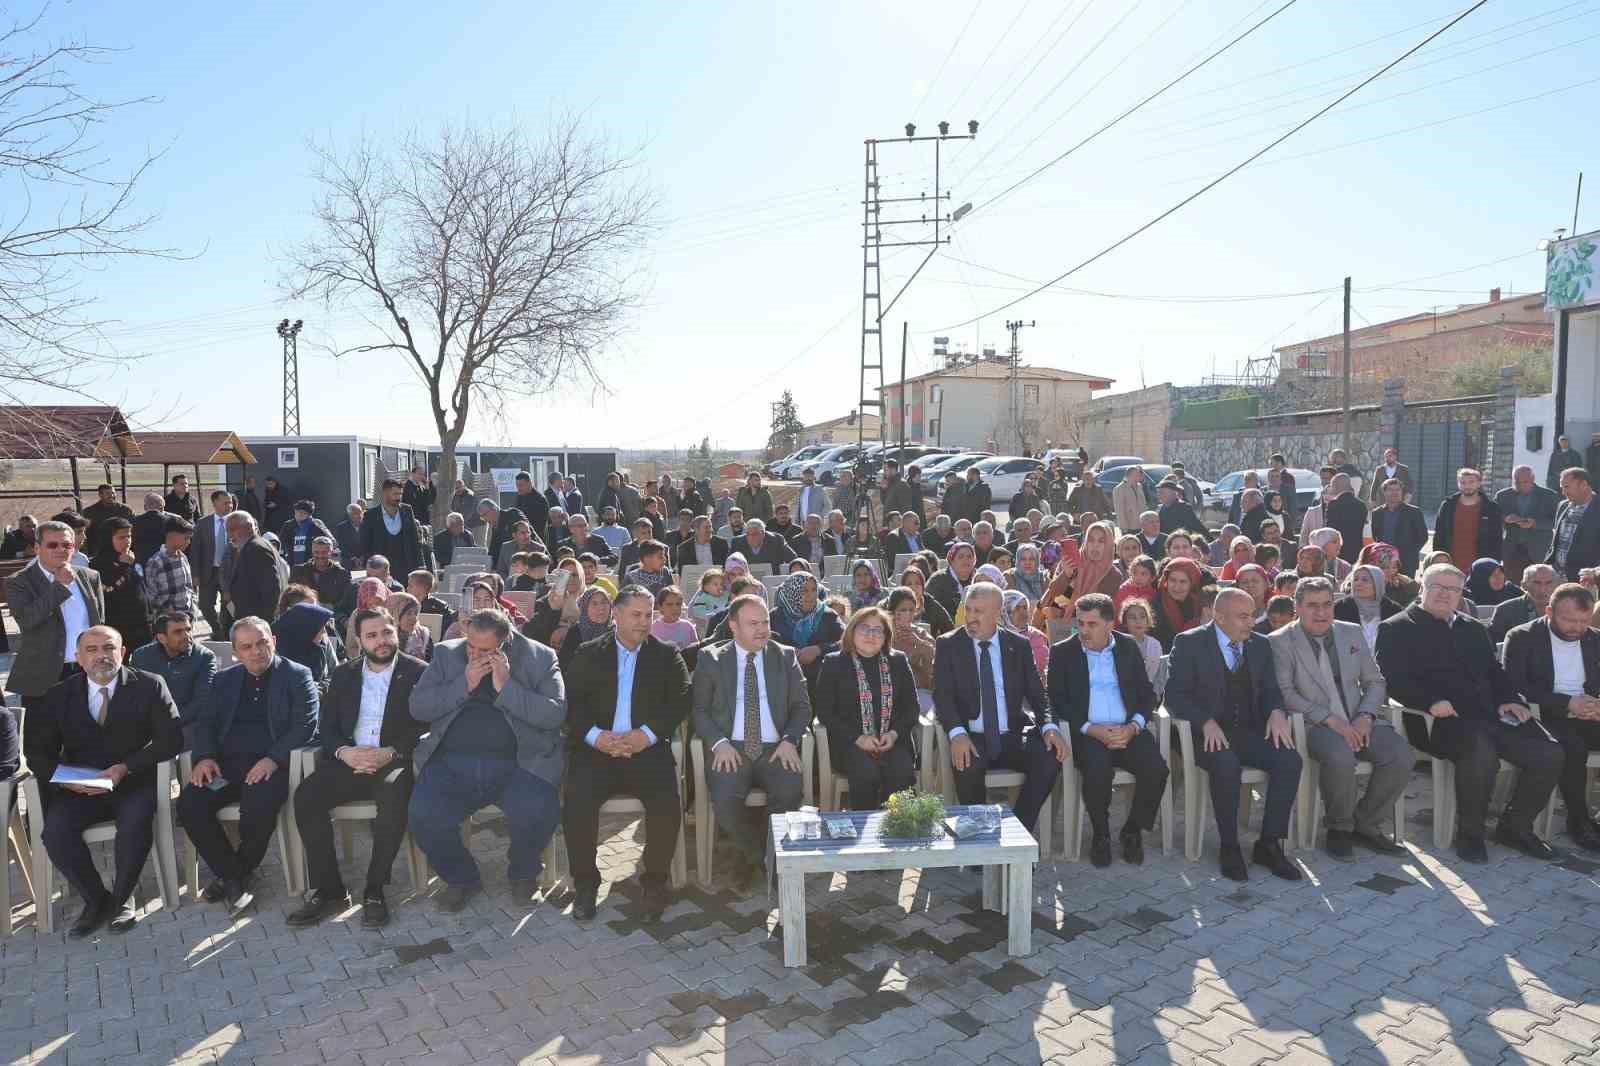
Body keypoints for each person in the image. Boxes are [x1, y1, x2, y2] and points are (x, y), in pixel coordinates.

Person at [1375, 563, 1564, 863]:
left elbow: (1495, 672)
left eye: (1453, 589)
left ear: (1462, 594)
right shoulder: (1396, 627)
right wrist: (1430, 701)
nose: (1445, 594)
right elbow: (1394, 681)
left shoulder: (1472, 627)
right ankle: (1471, 833)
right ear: (1422, 587)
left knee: (1549, 752)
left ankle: (1515, 826)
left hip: (1489, 716)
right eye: (1438, 586)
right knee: (1480, 753)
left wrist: (1511, 699)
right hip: (1435, 721)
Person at [26, 626, 183, 935]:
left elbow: (171, 740)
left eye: (108, 648)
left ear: (122, 652)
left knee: (135, 820)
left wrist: (127, 766)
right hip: (80, 789)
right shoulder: (58, 695)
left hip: (133, 781)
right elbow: (36, 753)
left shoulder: (150, 685)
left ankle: (123, 898)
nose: (101, 656)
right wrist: (64, 780)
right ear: (78, 658)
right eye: (92, 650)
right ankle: (96, 899)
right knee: (55, 832)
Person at [407, 607, 566, 910]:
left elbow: (554, 714)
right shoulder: (445, 655)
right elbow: (418, 707)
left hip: (520, 761)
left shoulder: (540, 657)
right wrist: (463, 685)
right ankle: (461, 876)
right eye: (471, 646)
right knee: (424, 815)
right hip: (452, 761)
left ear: (505, 644)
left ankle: (523, 872)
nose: (475, 654)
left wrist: (506, 687)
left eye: (485, 650)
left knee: (538, 810)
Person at [286, 608, 428, 928]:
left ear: (396, 633)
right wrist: (344, 752)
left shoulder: (419, 672)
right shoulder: (344, 674)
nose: (381, 641)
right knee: (307, 796)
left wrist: (391, 752)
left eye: (386, 633)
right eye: (372, 635)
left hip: (392, 761)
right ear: (360, 640)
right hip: (350, 761)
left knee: (393, 800)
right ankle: (330, 889)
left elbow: (425, 724)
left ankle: (375, 889)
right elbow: (329, 725)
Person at [560, 585, 690, 920]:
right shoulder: (589, 653)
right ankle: (586, 884)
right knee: (577, 800)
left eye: (649, 615)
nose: (644, 622)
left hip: (645, 750)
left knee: (666, 803)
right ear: (615, 615)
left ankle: (654, 881)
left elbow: (679, 700)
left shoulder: (666, 654)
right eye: (636, 615)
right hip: (597, 750)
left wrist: (645, 736)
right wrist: (595, 736)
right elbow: (571, 703)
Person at [178, 617, 319, 914]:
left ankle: (232, 876)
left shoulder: (298, 675)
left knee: (257, 805)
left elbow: (305, 726)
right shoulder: (224, 680)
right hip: (226, 768)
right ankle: (233, 877)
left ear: (273, 642)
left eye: (261, 643)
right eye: (247, 647)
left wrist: (273, 758)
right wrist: (204, 756)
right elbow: (206, 724)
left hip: (274, 765)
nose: (256, 652)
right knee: (191, 802)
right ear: (235, 652)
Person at [1168, 587, 1302, 882]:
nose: (1251, 622)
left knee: (1289, 760)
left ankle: (1269, 843)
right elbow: (1174, 697)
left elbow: (1270, 689)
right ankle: (1229, 846)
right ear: (1218, 616)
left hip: (1247, 730)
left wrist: (1277, 712)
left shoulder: (1259, 645)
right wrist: (1205, 722)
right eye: (1243, 616)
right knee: (1226, 766)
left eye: (1253, 614)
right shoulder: (1190, 643)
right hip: (1203, 734)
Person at [1271, 577, 1410, 858]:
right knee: (1340, 755)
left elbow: (1375, 681)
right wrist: (1331, 720)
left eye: (1326, 605)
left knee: (1400, 754)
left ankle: (1366, 823)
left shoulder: (1351, 632)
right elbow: (1286, 693)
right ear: (1297, 607)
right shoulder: (1280, 641)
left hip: (1358, 717)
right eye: (1312, 606)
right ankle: (1339, 827)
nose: (1321, 613)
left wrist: (1365, 716)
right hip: (1314, 724)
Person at [692, 593, 812, 890]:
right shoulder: (712, 658)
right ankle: (761, 858)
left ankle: (752, 859)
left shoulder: (784, 656)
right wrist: (718, 743)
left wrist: (790, 739)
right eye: (753, 623)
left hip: (775, 747)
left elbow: (802, 707)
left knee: (789, 790)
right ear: (733, 626)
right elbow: (698, 710)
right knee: (725, 798)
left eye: (765, 622)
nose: (762, 629)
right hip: (731, 747)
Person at [934, 582, 1067, 839]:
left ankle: (1017, 833)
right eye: (968, 610)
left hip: (1012, 734)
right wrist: (957, 733)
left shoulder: (1017, 645)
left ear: (997, 613)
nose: (971, 617)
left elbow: (1039, 696)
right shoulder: (949, 644)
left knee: (1049, 759)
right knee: (967, 765)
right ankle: (977, 842)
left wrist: (1049, 726)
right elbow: (943, 696)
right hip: (973, 735)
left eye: (979, 612)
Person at [1050, 593, 1166, 867]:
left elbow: (1147, 695)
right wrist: (1092, 729)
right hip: (1088, 732)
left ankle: (1132, 831)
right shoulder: (1063, 652)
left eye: (1092, 624)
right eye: (1080, 623)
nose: (1084, 631)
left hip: (1127, 729)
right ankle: (1101, 834)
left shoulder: (1127, 648)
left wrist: (1134, 726)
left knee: (1157, 770)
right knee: (1097, 770)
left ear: (1109, 624)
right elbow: (1057, 701)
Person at [1501, 581, 1600, 853]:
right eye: (1569, 620)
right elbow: (1515, 686)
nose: (1577, 628)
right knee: (1573, 747)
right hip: (1543, 715)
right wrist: (1569, 704)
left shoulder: (1594, 638)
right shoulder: (1521, 637)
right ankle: (1579, 822)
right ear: (1548, 612)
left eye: (1583, 620)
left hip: (1589, 713)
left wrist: (1595, 706)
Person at [815, 604, 919, 810]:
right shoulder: (834, 663)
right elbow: (825, 712)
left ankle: (895, 828)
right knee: (865, 772)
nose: (871, 635)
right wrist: (859, 738)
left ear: (886, 635)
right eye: (864, 628)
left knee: (900, 771)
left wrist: (894, 734)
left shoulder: (898, 661)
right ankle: (867, 833)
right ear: (852, 631)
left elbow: (912, 708)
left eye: (877, 630)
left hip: (892, 741)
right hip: (851, 744)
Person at [4, 519, 106, 712]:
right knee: (44, 740)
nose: (60, 549)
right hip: (43, 677)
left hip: (86, 672)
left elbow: (99, 623)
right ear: (36, 548)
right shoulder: (18, 582)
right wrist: (59, 587)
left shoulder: (90, 577)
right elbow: (28, 620)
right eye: (52, 545)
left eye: (67, 545)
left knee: (87, 737)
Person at [128, 611, 217, 743]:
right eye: (178, 632)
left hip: (189, 723)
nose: (187, 636)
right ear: (162, 638)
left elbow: (202, 702)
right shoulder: (141, 656)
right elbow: (134, 695)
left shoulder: (205, 657)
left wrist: (169, 723)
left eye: (188, 629)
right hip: (149, 723)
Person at [91, 517, 150, 650]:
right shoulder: (99, 564)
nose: (127, 541)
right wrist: (123, 566)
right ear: (108, 538)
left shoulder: (133, 557)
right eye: (121, 537)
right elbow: (109, 589)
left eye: (129, 536)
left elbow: (141, 587)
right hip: (118, 627)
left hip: (142, 624)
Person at [1495, 465, 1559, 583]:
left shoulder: (1549, 496)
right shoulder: (1502, 496)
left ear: (1533, 479)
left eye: (1525, 482)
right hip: (1512, 551)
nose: (1521, 485)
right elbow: (1494, 519)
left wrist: (1535, 523)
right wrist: (1505, 519)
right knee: (1511, 586)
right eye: (1517, 482)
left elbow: (1556, 522)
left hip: (1539, 551)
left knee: (1538, 584)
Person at [1433, 468, 1502, 573]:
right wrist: (1438, 560)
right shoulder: (1447, 506)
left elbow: (1497, 539)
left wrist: (1493, 565)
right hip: (1450, 565)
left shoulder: (1491, 508)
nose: (1467, 486)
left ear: (1479, 483)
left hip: (1480, 566)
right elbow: (1439, 535)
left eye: (1471, 482)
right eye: (1463, 482)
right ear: (1458, 484)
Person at [223, 511, 285, 626]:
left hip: (257, 620)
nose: (229, 535)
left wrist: (264, 622)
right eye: (227, 531)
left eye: (233, 529)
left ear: (249, 527)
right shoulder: (249, 546)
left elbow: (271, 589)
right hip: (250, 618)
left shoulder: (256, 548)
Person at [360, 479, 425, 578]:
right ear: (385, 493)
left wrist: (421, 564)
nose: (398, 497)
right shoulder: (371, 515)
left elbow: (415, 539)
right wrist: (369, 568)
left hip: (406, 567)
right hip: (381, 569)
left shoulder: (407, 510)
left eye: (400, 494)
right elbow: (366, 544)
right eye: (395, 494)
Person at [188, 490, 233, 630]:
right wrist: (195, 575)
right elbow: (195, 551)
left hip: (231, 573)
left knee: (228, 605)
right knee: (205, 605)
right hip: (209, 572)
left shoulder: (238, 522)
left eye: (231, 502)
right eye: (225, 503)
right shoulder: (203, 524)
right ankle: (217, 628)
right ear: (215, 504)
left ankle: (225, 632)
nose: (230, 505)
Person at [1547, 466, 1600, 582]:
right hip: (1557, 576)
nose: (1563, 492)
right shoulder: (1563, 505)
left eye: (1567, 487)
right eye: (1562, 487)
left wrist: (1595, 574)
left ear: (1584, 485)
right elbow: (1556, 540)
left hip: (1586, 580)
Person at [1368, 478, 1428, 578]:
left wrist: (1410, 552)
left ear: (1402, 491)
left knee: (1405, 592)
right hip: (1384, 562)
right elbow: (1376, 537)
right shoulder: (1377, 513)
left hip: (1406, 563)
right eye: (1391, 490)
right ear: (1384, 492)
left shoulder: (1414, 512)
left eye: (1397, 490)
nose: (1394, 493)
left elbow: (1423, 536)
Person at [1334, 564, 1402, 651]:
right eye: (1355, 579)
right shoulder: (1340, 608)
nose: (1358, 583)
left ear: (1378, 583)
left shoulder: (1394, 610)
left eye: (1365, 580)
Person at [1490, 563, 1558, 642]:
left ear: (1556, 585)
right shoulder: (1505, 611)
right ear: (1524, 585)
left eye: (1549, 583)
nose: (1543, 589)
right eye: (1536, 583)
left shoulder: (1565, 609)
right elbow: (1495, 647)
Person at [1151, 557, 1204, 652]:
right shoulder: (1155, 606)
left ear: (1192, 583)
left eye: (1183, 582)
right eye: (1172, 580)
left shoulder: (1200, 604)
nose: (1177, 587)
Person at [289, 536, 351, 613]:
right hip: (303, 615)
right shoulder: (298, 571)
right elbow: (290, 597)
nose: (320, 556)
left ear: (331, 552)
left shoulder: (342, 574)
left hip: (332, 618)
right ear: (312, 552)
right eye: (316, 552)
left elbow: (345, 603)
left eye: (324, 552)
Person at [1321, 474, 1366, 566]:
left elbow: (1330, 530)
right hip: (1357, 549)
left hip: (1339, 551)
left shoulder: (1334, 504)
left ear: (1336, 486)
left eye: (1332, 486)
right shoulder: (1361, 505)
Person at [81, 483, 135, 555]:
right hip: (99, 551)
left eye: (113, 493)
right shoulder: (90, 512)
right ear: (100, 495)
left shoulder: (126, 510)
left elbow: (134, 529)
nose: (112, 496)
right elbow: (85, 533)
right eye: (108, 493)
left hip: (122, 549)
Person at [278, 500, 333, 568]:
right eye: (296, 512)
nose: (297, 515)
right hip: (292, 565)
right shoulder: (288, 525)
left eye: (301, 513)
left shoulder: (316, 524)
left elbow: (331, 541)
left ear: (308, 514)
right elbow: (280, 542)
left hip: (312, 565)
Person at [131, 493, 175, 565]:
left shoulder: (134, 521)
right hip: (163, 562)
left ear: (145, 507)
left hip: (141, 561)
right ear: (161, 508)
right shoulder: (170, 521)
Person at [1112, 466, 1149, 532]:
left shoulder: (1139, 486)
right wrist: (1123, 527)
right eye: (1137, 474)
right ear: (1131, 475)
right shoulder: (1120, 488)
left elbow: (1144, 504)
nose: (1140, 475)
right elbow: (1119, 510)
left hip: (1142, 524)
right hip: (1129, 526)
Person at [334, 502, 365, 566]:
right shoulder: (341, 527)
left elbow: (371, 543)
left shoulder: (368, 525)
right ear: (350, 515)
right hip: (348, 560)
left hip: (365, 559)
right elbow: (341, 545)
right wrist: (353, 558)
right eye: (356, 513)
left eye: (361, 512)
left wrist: (363, 556)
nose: (360, 515)